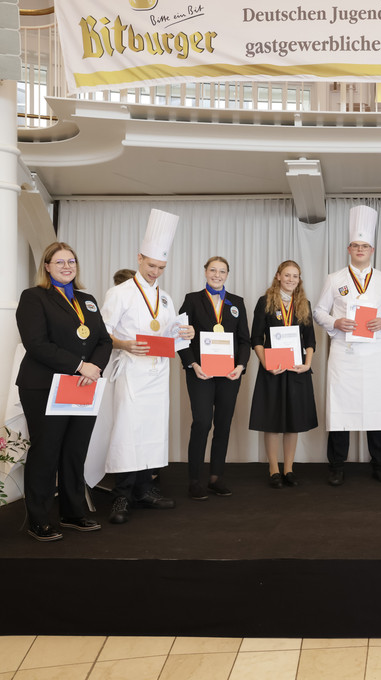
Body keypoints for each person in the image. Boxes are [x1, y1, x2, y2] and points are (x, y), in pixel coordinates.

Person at [97, 209, 195, 523]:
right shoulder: (120, 293)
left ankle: (144, 490)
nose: (155, 272)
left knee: (153, 430)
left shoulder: (165, 298)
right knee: (128, 431)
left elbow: (170, 333)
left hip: (158, 371)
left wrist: (186, 333)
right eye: (151, 265)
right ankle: (121, 495)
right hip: (130, 371)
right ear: (139, 258)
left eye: (161, 268)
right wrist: (125, 344)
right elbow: (102, 333)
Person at [15, 242, 112, 541]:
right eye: (59, 262)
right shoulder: (33, 297)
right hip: (44, 385)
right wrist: (80, 366)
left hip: (83, 385)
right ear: (46, 266)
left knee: (74, 450)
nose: (67, 266)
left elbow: (104, 340)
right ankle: (39, 519)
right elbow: (36, 343)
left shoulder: (87, 300)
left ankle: (72, 512)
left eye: (71, 261)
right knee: (46, 451)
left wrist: (94, 367)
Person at [314, 205, 381, 486]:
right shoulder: (335, 279)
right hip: (344, 354)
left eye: (365, 246)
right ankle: (337, 466)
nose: (360, 249)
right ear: (348, 248)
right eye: (356, 245)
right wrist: (335, 322)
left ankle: (380, 465)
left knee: (377, 408)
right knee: (340, 408)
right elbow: (318, 311)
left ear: (372, 250)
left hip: (374, 354)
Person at [177, 256, 251, 500]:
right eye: (213, 270)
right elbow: (180, 336)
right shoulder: (192, 299)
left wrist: (241, 366)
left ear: (227, 274)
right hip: (201, 372)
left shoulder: (237, 302)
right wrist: (193, 364)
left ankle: (216, 477)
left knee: (223, 423)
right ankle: (194, 480)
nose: (217, 275)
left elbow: (244, 340)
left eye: (222, 271)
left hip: (230, 374)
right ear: (205, 272)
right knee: (202, 422)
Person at [248, 260, 318, 488]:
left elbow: (310, 340)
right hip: (273, 369)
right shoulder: (265, 301)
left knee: (293, 421)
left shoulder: (304, 303)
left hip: (296, 370)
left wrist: (307, 364)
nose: (291, 279)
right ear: (278, 276)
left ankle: (288, 468)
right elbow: (256, 338)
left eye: (295, 276)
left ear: (299, 279)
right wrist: (266, 363)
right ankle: (273, 469)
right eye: (287, 275)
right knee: (272, 420)